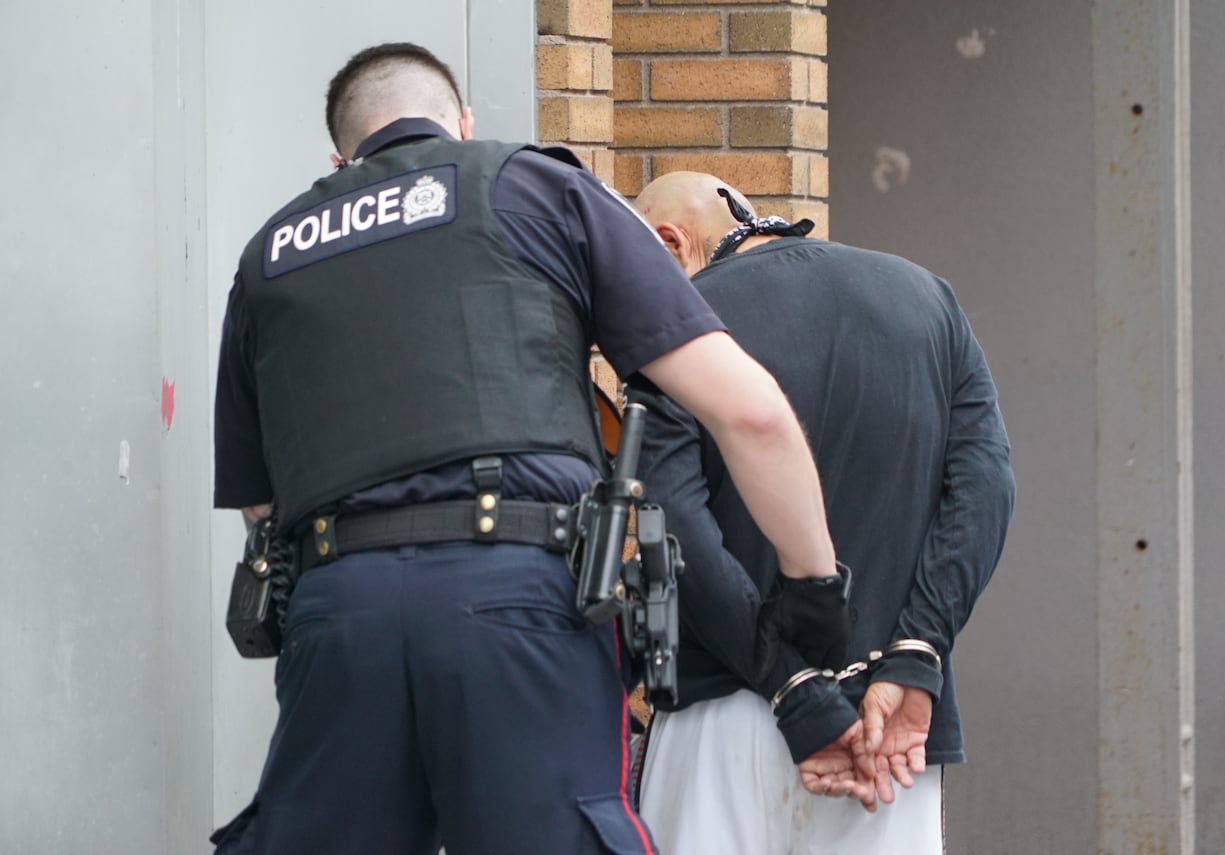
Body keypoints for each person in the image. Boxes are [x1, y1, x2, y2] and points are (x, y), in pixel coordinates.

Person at [210, 45, 848, 855]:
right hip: (519, 598)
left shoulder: (271, 253)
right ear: (463, 122)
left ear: (341, 158)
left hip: (337, 613)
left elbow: (261, 506)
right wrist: (812, 586)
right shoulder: (535, 185)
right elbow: (751, 413)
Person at [629, 171, 1016, 854]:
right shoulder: (928, 298)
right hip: (890, 730)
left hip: (723, 716)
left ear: (670, 242)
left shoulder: (680, 329)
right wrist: (915, 655)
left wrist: (795, 688)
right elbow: (985, 489)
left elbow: (675, 528)